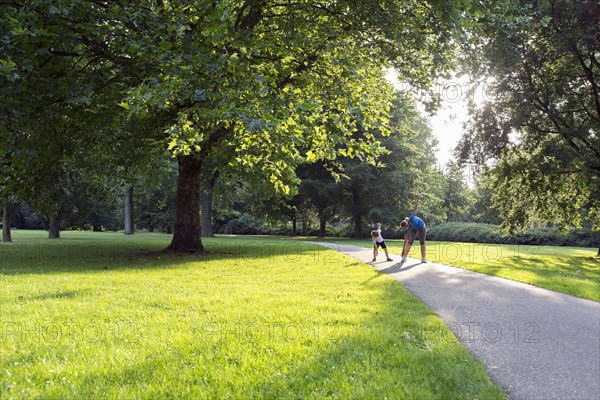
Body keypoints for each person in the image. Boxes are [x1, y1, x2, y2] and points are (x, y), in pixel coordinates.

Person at [400, 194, 427, 263]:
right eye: (403, 229)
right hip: (414, 228)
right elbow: (405, 240)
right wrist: (403, 250)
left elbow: (415, 209)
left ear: (407, 225)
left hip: (421, 227)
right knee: (409, 242)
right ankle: (404, 257)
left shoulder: (411, 219)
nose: (404, 230)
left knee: (422, 242)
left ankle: (423, 259)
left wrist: (417, 200)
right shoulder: (407, 229)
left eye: (404, 228)